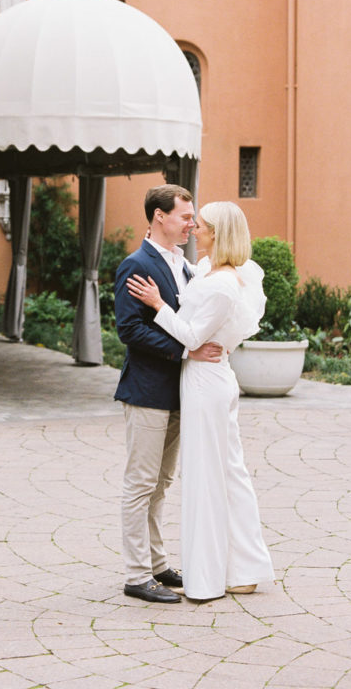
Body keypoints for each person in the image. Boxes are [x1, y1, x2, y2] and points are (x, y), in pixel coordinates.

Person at [127, 200, 275, 602]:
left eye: (202, 224)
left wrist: (158, 304)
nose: (195, 228)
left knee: (210, 475)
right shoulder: (207, 269)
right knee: (224, 471)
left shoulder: (223, 284)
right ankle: (240, 569)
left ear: (219, 233)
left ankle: (214, 576)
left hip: (206, 382)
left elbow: (193, 337)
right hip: (205, 379)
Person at [114, 185, 223, 604]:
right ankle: (136, 574)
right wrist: (184, 351)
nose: (191, 224)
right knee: (140, 484)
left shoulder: (187, 267)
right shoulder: (136, 264)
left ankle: (158, 564)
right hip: (147, 391)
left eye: (193, 218)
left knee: (161, 484)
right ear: (159, 216)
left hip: (180, 392)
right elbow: (129, 329)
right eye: (185, 216)